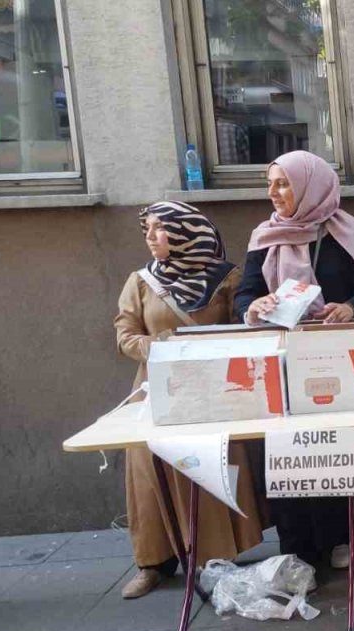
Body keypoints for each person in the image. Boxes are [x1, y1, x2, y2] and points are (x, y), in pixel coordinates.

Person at [236, 150, 354, 569]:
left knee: (336, 450)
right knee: (290, 453)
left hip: (337, 364)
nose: (273, 193)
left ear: (310, 184)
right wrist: (257, 305)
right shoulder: (265, 235)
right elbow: (245, 296)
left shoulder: (345, 231)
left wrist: (350, 308)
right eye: (270, 184)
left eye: (283, 183)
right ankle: (298, 548)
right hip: (285, 366)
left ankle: (345, 534)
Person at [114, 201, 266, 598]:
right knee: (151, 476)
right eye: (146, 228)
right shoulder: (142, 281)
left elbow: (242, 329)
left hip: (211, 390)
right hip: (156, 390)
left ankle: (216, 559)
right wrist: (157, 348)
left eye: (159, 228)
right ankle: (153, 563)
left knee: (210, 466)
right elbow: (125, 332)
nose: (149, 236)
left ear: (185, 232)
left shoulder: (226, 278)